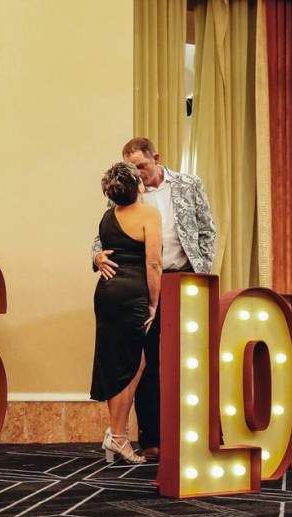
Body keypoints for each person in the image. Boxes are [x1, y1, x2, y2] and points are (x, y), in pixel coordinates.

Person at [91, 137, 216, 460]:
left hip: (183, 277)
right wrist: (97, 257)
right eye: (131, 168)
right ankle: (152, 438)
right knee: (144, 362)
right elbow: (104, 233)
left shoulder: (188, 184)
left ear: (156, 159)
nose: (137, 174)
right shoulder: (129, 193)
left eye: (142, 166)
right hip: (144, 286)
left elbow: (207, 229)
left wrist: (203, 267)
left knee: (185, 356)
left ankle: (194, 434)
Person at [90, 162, 162, 465]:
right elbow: (154, 263)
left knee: (116, 365)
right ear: (139, 187)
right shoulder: (148, 214)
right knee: (132, 366)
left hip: (106, 294)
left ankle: (117, 434)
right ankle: (118, 436)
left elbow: (104, 251)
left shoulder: (109, 217)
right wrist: (154, 304)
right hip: (134, 295)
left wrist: (95, 256)